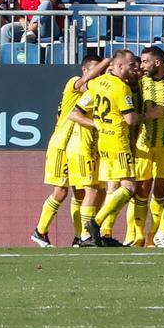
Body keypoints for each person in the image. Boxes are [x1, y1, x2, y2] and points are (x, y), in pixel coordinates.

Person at [33, 55, 109, 248]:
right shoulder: (73, 82)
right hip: (61, 144)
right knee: (60, 192)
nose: (97, 75)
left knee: (80, 193)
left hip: (74, 147)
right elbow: (83, 82)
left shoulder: (93, 93)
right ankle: (40, 231)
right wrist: (106, 62)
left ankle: (80, 237)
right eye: (95, 71)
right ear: (85, 70)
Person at [74, 49, 142, 247]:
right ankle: (95, 223)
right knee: (129, 187)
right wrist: (148, 116)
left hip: (103, 142)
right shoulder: (121, 88)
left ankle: (103, 233)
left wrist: (97, 123)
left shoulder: (96, 84)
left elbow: (79, 102)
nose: (134, 69)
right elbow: (130, 119)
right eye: (131, 65)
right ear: (119, 66)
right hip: (119, 142)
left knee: (112, 189)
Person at [129, 47, 164, 248]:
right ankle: (137, 236)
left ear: (157, 63)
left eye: (145, 61)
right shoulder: (139, 81)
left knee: (159, 192)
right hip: (144, 144)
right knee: (141, 191)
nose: (142, 65)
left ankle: (153, 237)